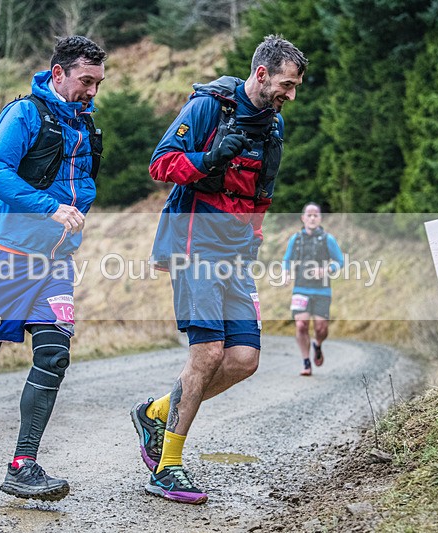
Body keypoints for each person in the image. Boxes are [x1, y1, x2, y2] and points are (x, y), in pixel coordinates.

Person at [130, 35, 307, 504]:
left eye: (295, 88)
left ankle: (156, 412)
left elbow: (262, 193)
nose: (290, 95)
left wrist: (254, 238)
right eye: (286, 85)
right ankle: (167, 468)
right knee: (206, 354)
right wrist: (208, 159)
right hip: (196, 243)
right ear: (262, 74)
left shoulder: (275, 126)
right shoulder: (210, 108)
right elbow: (160, 164)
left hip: (236, 252)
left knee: (244, 360)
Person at [0, 35, 106, 501]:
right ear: (59, 73)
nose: (92, 91)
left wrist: (74, 221)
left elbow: (84, 182)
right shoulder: (24, 113)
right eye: (85, 81)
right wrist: (51, 209)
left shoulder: (86, 124)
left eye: (98, 83)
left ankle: (23, 465)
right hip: (7, 256)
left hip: (56, 261)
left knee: (54, 354)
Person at [281, 202, 344, 376]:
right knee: (301, 325)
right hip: (300, 288)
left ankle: (317, 343)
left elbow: (340, 261)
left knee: (321, 328)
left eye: (315, 215)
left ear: (320, 218)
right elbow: (286, 259)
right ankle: (306, 362)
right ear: (303, 218)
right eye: (309, 215)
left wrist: (326, 270)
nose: (312, 217)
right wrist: (285, 274)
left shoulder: (327, 239)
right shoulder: (296, 239)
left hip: (322, 290)